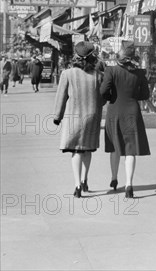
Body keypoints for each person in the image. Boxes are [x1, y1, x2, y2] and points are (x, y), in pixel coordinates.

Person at [53, 42, 105, 198]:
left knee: (76, 150)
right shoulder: (98, 75)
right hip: (92, 117)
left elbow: (61, 97)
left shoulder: (67, 74)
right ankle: (85, 179)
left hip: (74, 118)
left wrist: (57, 116)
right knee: (87, 149)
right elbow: (102, 99)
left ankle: (77, 186)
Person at [100, 46, 150, 199]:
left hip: (114, 111)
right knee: (130, 149)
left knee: (114, 147)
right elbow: (145, 94)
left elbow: (103, 91)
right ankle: (129, 184)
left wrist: (111, 97)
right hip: (132, 112)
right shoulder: (140, 73)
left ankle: (114, 178)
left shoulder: (111, 71)